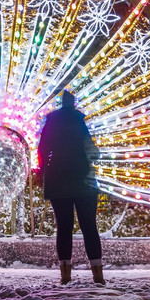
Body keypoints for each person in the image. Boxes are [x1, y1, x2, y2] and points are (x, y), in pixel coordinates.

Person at [37, 91, 105, 285]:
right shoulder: (79, 121)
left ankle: (65, 274)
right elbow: (91, 150)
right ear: (73, 104)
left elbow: (42, 150)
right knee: (89, 226)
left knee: (64, 227)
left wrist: (45, 171)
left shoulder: (51, 123)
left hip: (58, 180)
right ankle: (97, 273)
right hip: (83, 180)